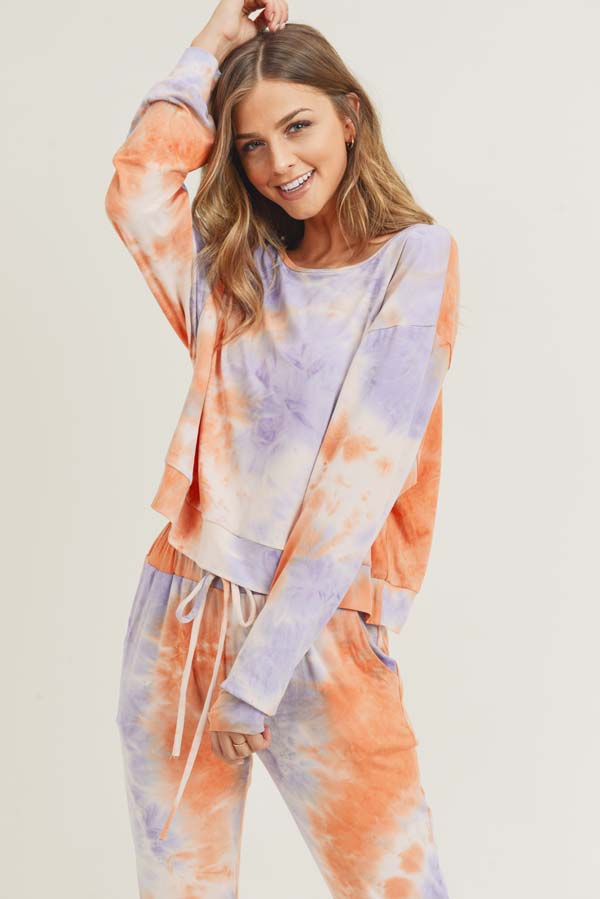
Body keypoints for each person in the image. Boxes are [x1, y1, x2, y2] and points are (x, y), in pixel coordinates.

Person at [105, 1, 460, 895]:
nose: (278, 164)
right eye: (251, 145)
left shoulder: (413, 261)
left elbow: (359, 482)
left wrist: (257, 674)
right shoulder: (238, 272)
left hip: (320, 628)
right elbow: (139, 187)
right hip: (183, 609)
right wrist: (213, 43)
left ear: (349, 116)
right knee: (179, 883)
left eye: (298, 126)